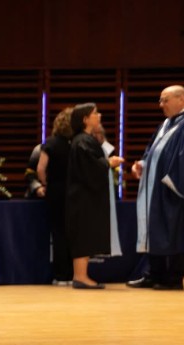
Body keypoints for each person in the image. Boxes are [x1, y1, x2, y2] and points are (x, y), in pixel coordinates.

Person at [127, 85, 184, 290]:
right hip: (158, 190)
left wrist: (169, 179)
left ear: (181, 99)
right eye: (160, 100)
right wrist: (143, 165)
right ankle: (154, 274)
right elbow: (154, 152)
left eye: (165, 100)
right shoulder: (167, 123)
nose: (161, 105)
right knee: (155, 230)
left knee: (174, 231)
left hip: (175, 190)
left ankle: (173, 278)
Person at [64, 103, 123, 289]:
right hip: (83, 199)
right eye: (95, 113)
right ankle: (80, 276)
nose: (99, 115)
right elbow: (89, 168)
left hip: (83, 198)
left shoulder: (83, 139)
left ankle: (81, 275)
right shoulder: (82, 141)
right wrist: (108, 163)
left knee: (85, 235)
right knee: (84, 235)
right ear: (85, 119)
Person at [37, 106, 75, 284]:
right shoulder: (76, 143)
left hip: (56, 191)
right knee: (72, 233)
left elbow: (40, 168)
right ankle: (72, 274)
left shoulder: (50, 143)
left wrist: (46, 184)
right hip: (73, 191)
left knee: (58, 232)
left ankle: (60, 275)